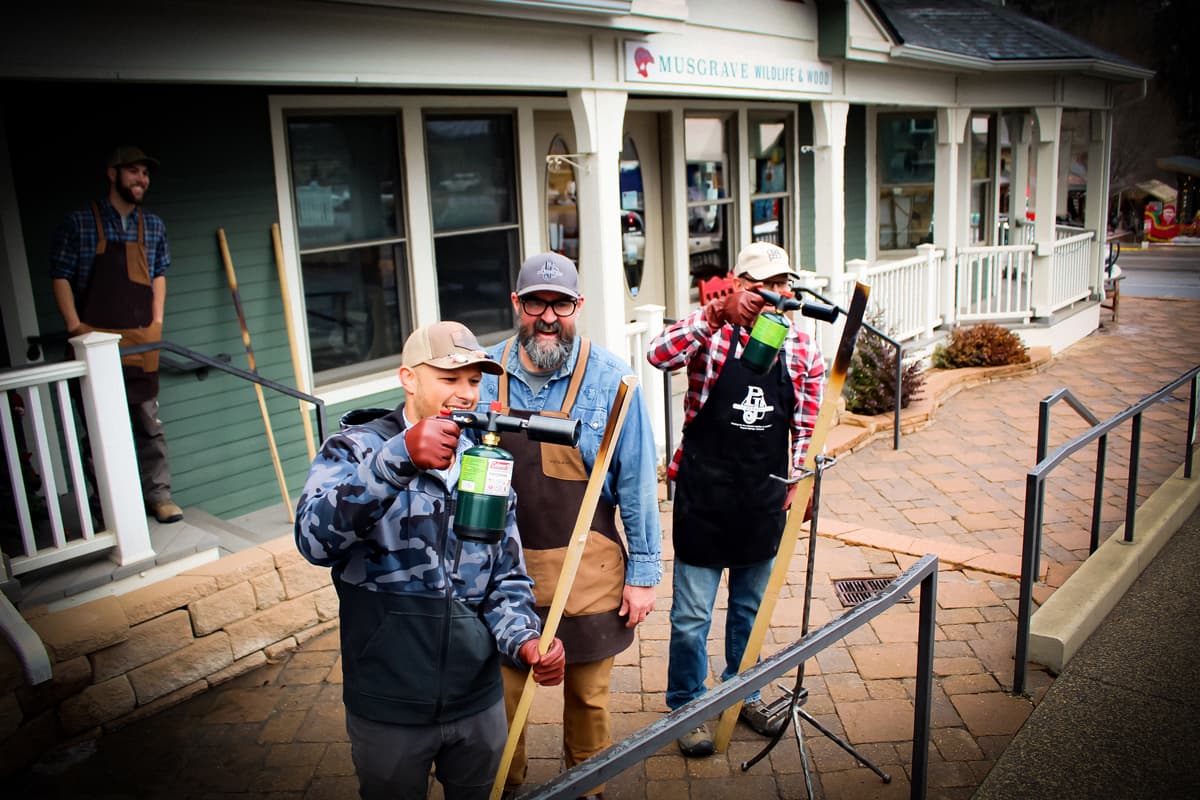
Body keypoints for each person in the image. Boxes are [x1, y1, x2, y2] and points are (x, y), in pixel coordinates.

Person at [295, 320, 566, 800]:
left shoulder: (485, 460)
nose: (465, 394)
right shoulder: (357, 448)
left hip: (477, 699)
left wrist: (524, 640)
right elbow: (314, 541)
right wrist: (398, 459)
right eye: (449, 377)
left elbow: (505, 576)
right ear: (408, 378)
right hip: (389, 703)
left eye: (474, 380)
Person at [480, 252, 662, 799]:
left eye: (561, 304)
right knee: (500, 704)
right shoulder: (483, 374)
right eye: (536, 302)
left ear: (578, 306)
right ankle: (504, 790)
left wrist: (645, 573)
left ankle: (587, 791)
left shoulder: (613, 381)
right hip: (501, 574)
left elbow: (636, 485)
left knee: (588, 701)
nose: (548, 316)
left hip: (589, 572)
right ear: (518, 303)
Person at [647, 241, 825, 758]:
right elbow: (660, 355)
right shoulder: (712, 332)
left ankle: (741, 689)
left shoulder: (801, 347)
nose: (774, 295)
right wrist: (714, 313)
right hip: (705, 495)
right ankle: (686, 703)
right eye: (762, 285)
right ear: (739, 283)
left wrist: (802, 483)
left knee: (750, 611)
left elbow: (808, 427)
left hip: (762, 496)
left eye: (782, 285)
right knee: (690, 616)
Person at [49, 146, 182, 524]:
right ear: (113, 174)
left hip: (142, 339)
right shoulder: (80, 223)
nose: (142, 179)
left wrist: (156, 321)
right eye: (134, 172)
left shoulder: (152, 226)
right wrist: (76, 327)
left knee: (148, 423)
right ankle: (108, 506)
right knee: (100, 428)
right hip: (95, 341)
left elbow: (159, 275)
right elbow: (60, 275)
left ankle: (159, 496)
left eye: (146, 173)